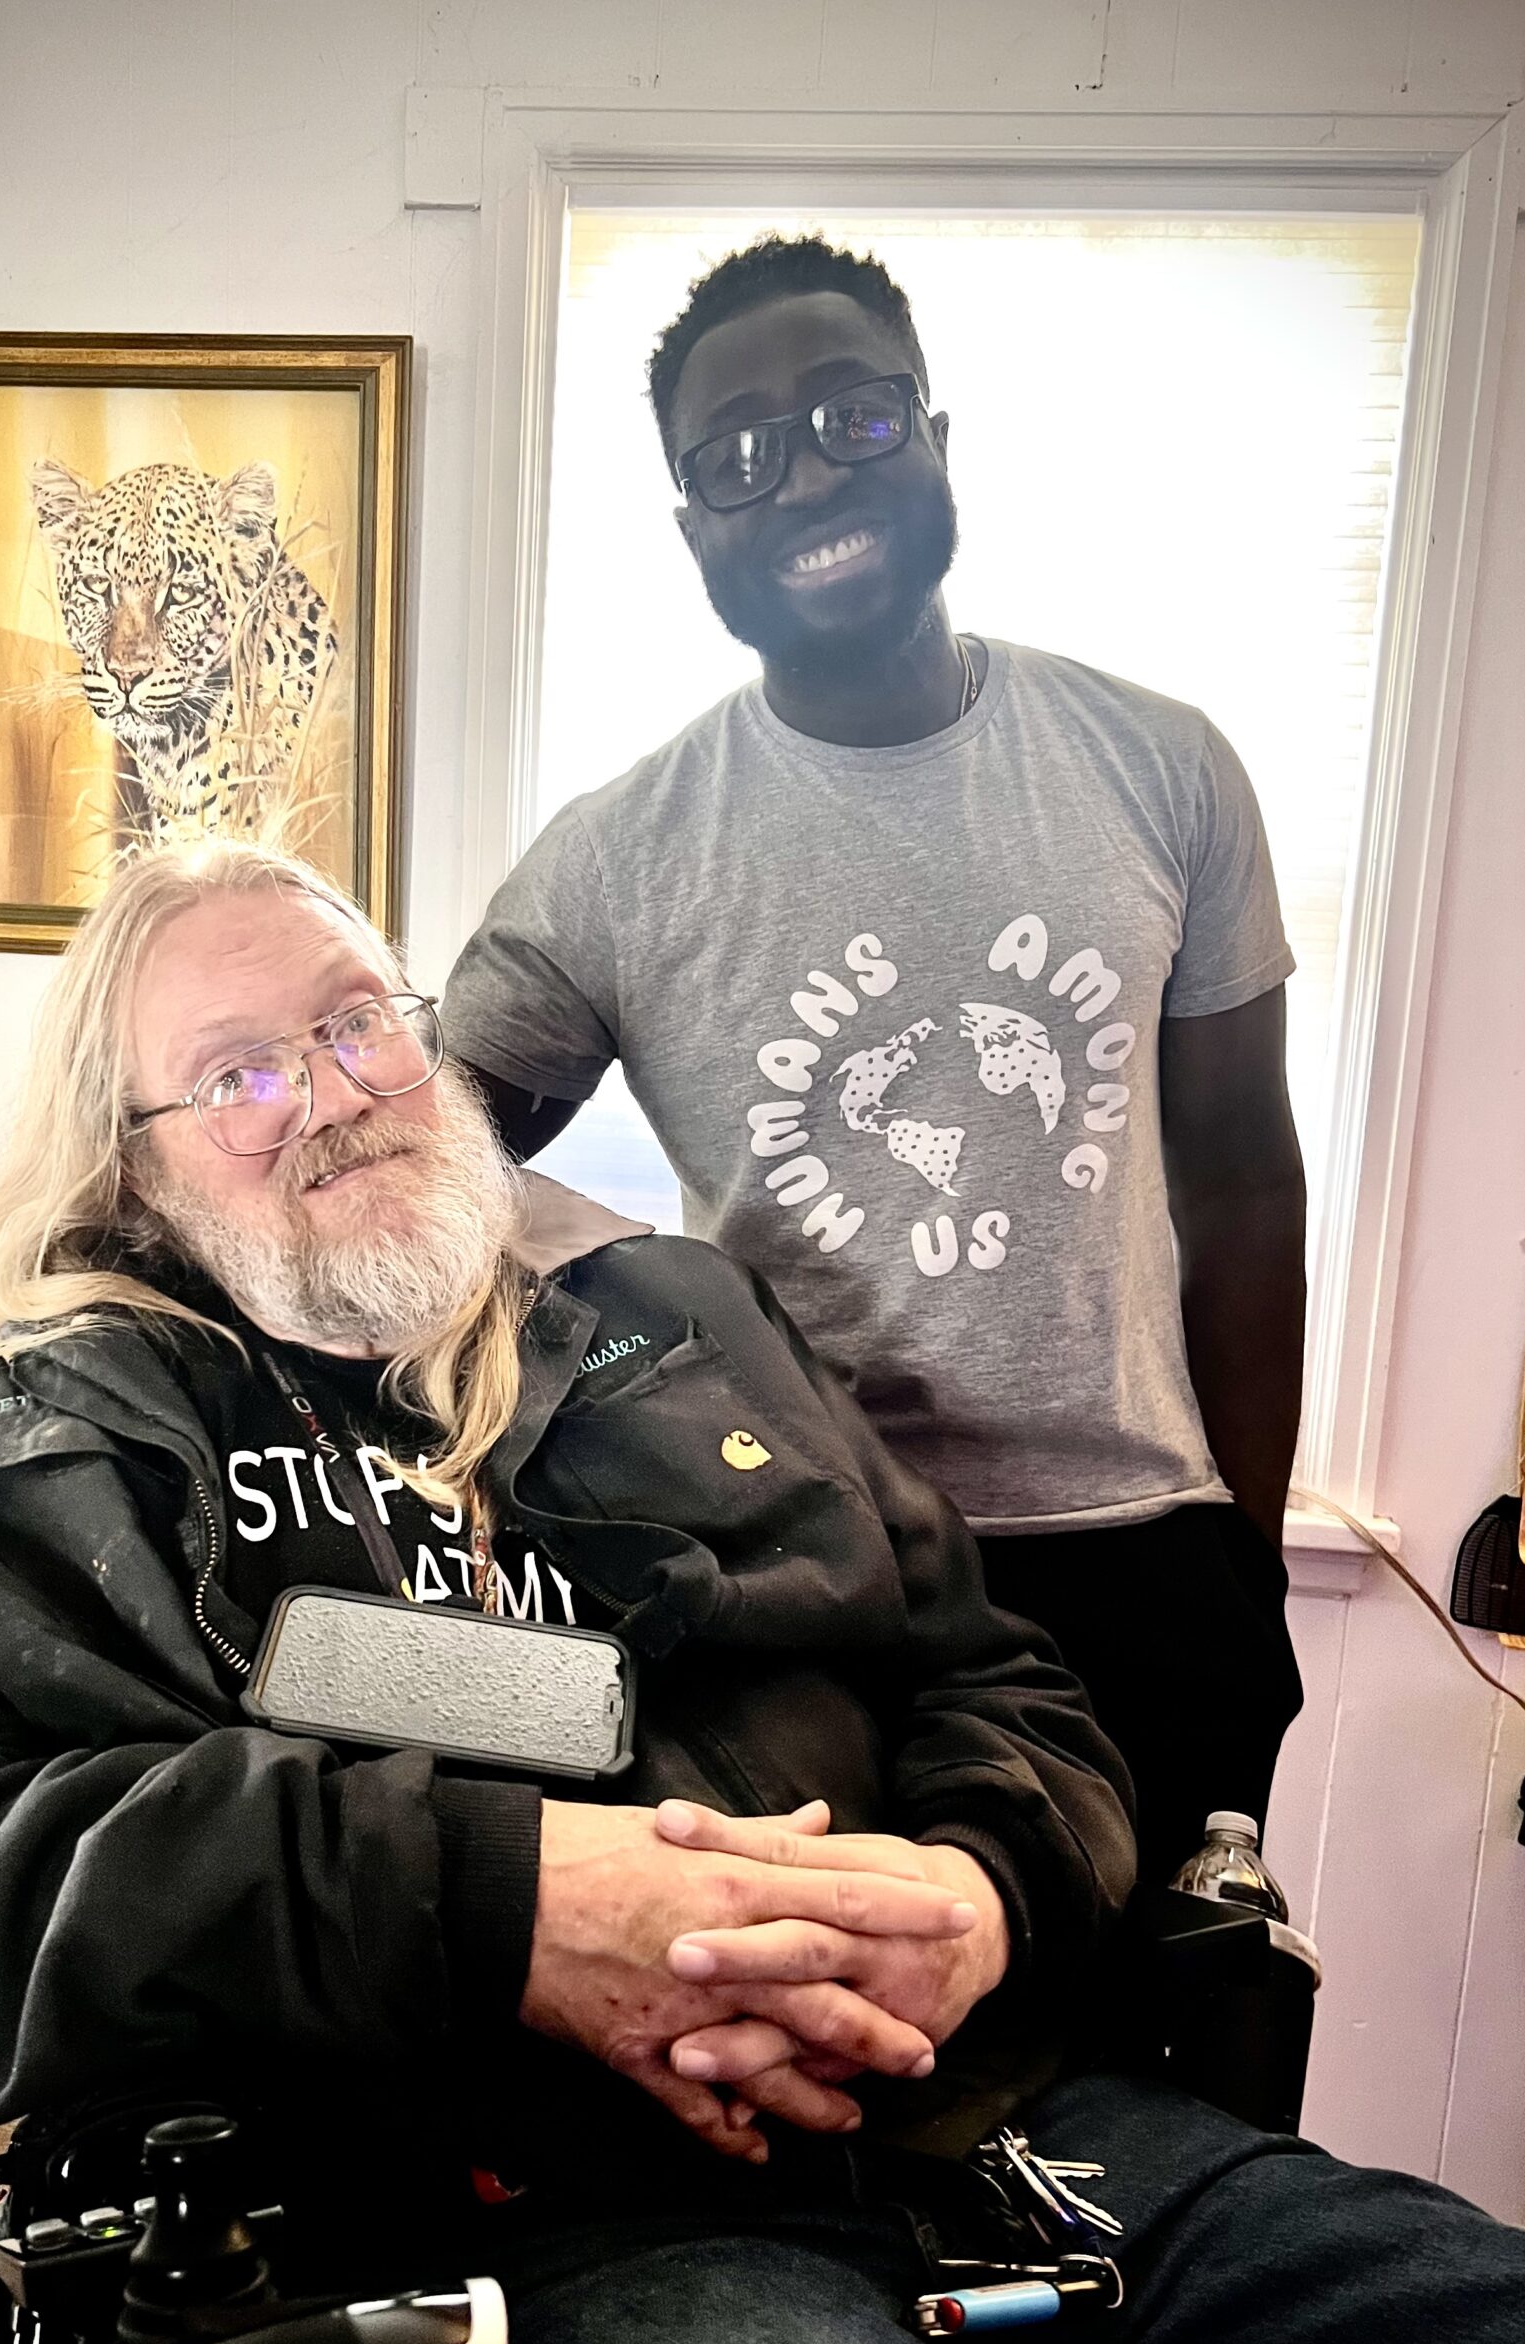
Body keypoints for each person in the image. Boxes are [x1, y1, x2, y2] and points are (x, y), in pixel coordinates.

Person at [0, 844, 1525, 2344]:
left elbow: (995, 1677)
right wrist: (499, 1902)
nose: (335, 1091)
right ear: (130, 1164)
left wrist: (980, 1898)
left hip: (1012, 2144)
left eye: (361, 1020)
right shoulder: (60, 1440)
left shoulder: (681, 1317)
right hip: (550, 2256)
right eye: (238, 1074)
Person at [442, 235, 1308, 1889]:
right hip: (801, 1568)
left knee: (1167, 2036)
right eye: (738, 456)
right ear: (694, 529)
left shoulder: (1164, 769)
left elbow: (1249, 1185)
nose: (806, 477)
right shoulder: (616, 861)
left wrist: (1247, 1562)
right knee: (822, 2028)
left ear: (935, 437)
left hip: (1141, 1560)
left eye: (856, 416)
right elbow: (413, 1172)